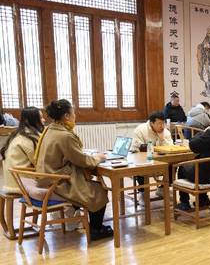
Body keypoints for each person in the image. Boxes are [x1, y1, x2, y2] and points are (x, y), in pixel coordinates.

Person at [34, 99, 113, 240]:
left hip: (47, 177)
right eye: (73, 113)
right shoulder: (64, 135)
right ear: (66, 116)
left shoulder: (50, 129)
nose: (75, 116)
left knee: (92, 186)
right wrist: (98, 158)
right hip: (58, 181)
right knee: (98, 190)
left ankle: (82, 219)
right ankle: (96, 230)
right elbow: (81, 160)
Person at [131, 111, 173, 204]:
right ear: (151, 123)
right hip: (144, 160)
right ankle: (143, 192)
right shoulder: (140, 130)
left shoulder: (165, 131)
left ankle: (163, 188)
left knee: (173, 164)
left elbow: (170, 147)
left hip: (161, 160)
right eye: (159, 123)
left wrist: (162, 138)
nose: (162, 126)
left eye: (163, 123)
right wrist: (152, 149)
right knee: (140, 166)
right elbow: (136, 147)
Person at [1, 107, 44, 194]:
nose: (44, 120)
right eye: (40, 117)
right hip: (20, 183)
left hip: (10, 180)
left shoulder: (17, 134)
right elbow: (37, 162)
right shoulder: (29, 137)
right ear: (33, 120)